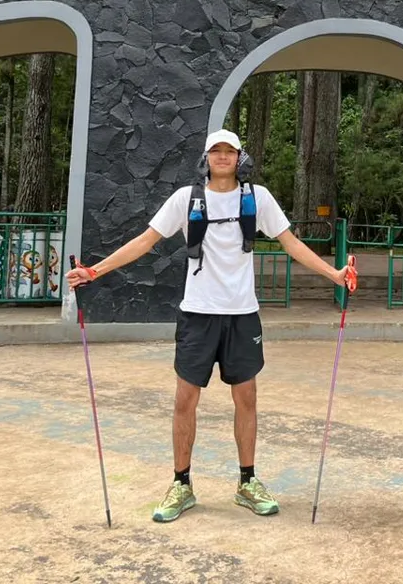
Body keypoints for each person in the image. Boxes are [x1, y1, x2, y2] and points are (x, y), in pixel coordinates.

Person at [66, 129, 356, 522]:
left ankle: (247, 482)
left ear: (241, 158)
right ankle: (181, 485)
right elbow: (145, 241)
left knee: (247, 399)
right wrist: (94, 272)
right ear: (206, 157)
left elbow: (291, 243)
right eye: (215, 151)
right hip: (197, 313)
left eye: (229, 151)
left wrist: (334, 274)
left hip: (242, 313)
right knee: (185, 400)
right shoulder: (186, 199)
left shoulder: (258, 198)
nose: (222, 157)